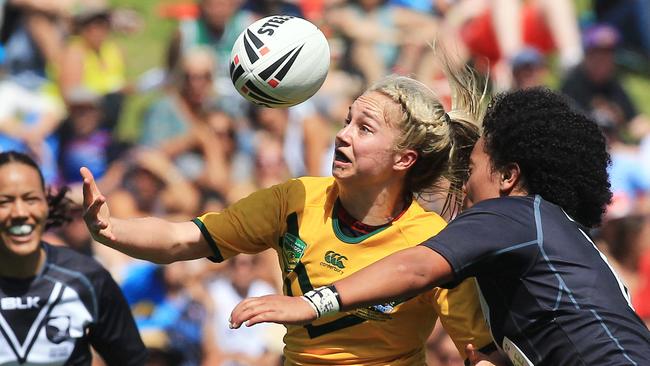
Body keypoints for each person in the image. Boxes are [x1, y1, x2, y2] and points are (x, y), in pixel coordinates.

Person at [80, 68, 501, 364]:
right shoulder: (296, 198)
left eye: (364, 129)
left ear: (404, 158)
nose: (343, 134)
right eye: (347, 120)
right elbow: (182, 239)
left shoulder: (434, 243)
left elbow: (478, 350)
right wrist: (111, 229)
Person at [229, 88, 650, 365]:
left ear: (508, 177)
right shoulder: (542, 233)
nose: (464, 183)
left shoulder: (513, 213)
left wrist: (311, 304)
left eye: (474, 167)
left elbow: (414, 268)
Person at [0, 150, 146, 365]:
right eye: (4, 202)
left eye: (31, 199)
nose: (20, 212)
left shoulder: (87, 278)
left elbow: (132, 361)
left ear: (47, 206)